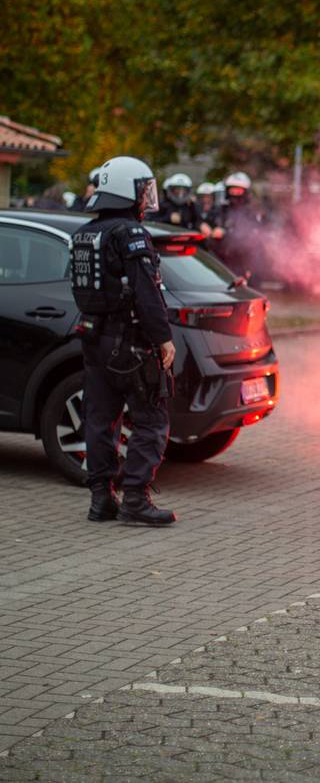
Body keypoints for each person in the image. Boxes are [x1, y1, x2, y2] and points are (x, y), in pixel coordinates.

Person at [69, 156, 177, 525]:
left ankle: (101, 500)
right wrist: (163, 338)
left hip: (94, 342)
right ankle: (135, 499)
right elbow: (147, 292)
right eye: (142, 189)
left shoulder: (85, 233)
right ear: (127, 191)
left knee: (100, 421)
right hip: (131, 344)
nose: (147, 197)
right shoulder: (130, 234)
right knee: (151, 419)